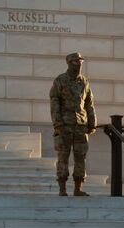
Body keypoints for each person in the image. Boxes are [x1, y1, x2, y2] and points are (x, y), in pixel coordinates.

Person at [49, 52, 96, 196]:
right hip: (64, 125)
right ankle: (62, 188)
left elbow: (89, 103)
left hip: (81, 126)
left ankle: (78, 188)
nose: (79, 64)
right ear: (69, 63)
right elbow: (54, 101)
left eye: (80, 61)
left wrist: (92, 122)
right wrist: (58, 123)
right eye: (75, 62)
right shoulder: (60, 80)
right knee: (63, 157)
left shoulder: (84, 81)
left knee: (81, 156)